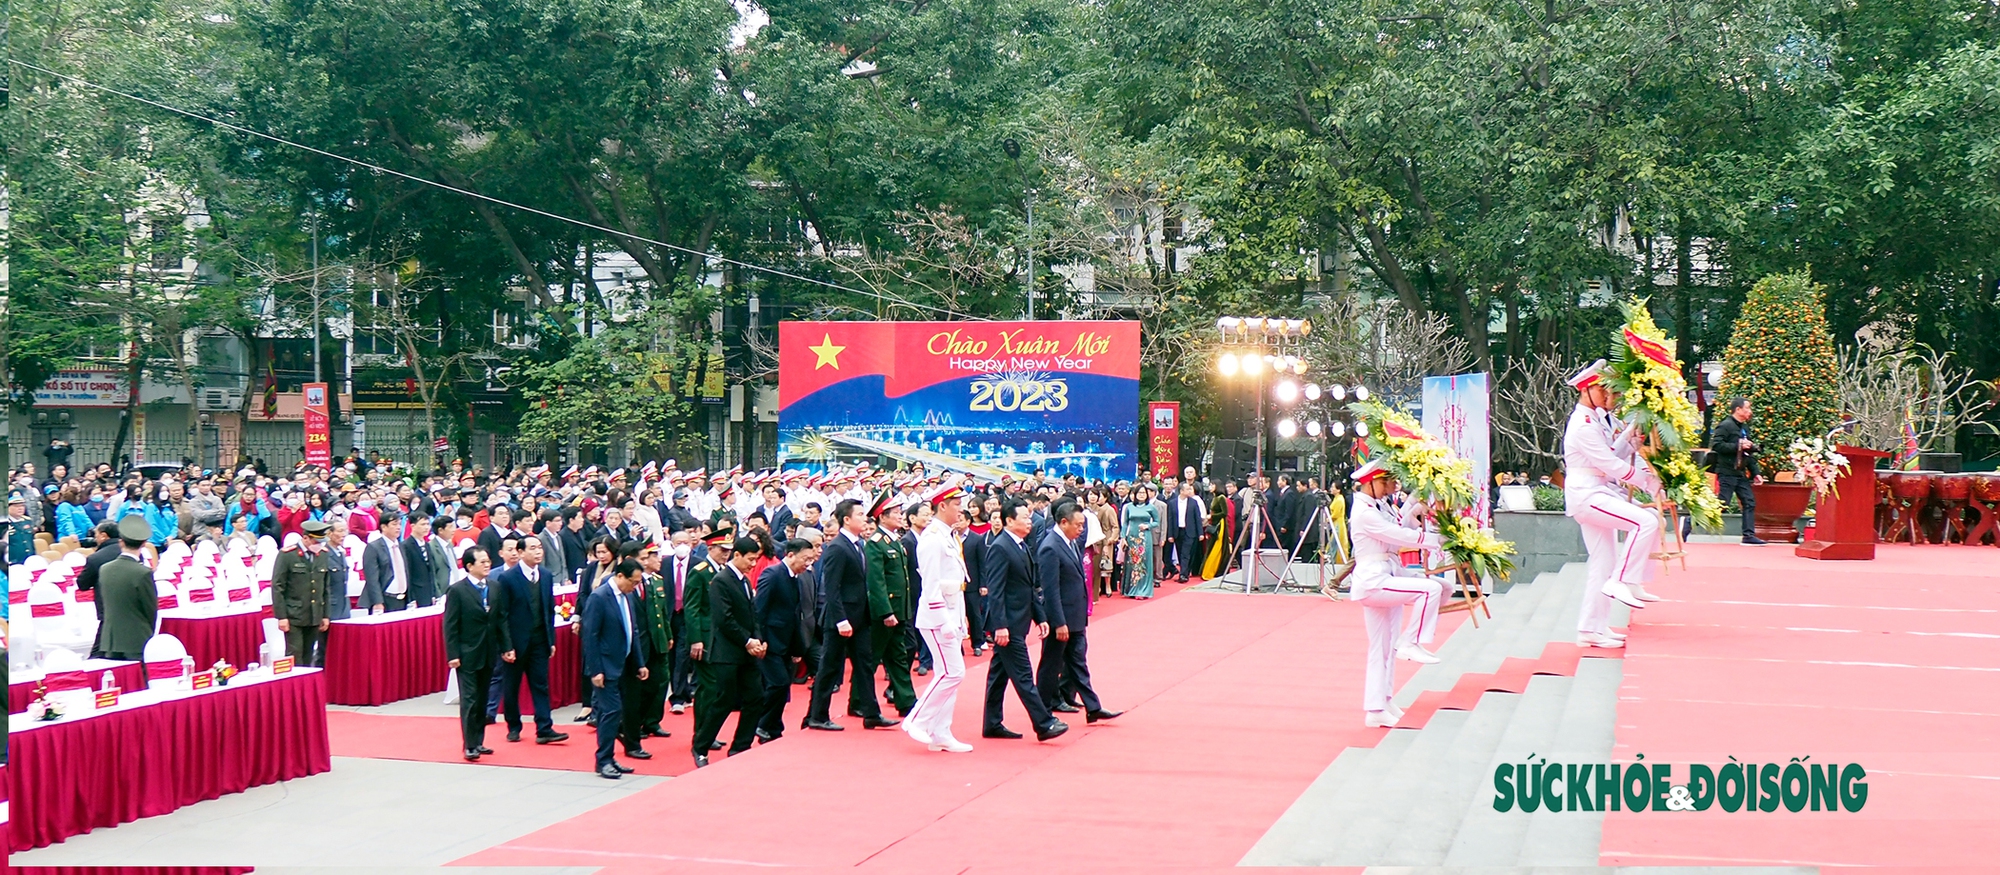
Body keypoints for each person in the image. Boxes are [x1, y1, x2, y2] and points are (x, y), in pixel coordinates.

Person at [1565, 359, 1663, 642]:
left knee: (1602, 563)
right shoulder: (1583, 424)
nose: (1611, 397)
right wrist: (1645, 480)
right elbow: (1609, 463)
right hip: (1588, 494)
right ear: (1587, 391)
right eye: (1605, 390)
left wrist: (1630, 435)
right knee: (1645, 521)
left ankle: (1591, 629)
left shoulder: (1596, 419)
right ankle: (1626, 580)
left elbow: (1612, 453)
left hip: (1596, 491)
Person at [1346, 458, 1447, 728]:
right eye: (1387, 482)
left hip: (1386, 572)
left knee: (1382, 648)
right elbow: (1395, 535)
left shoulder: (1377, 505)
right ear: (1371, 483)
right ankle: (1412, 641)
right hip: (1373, 578)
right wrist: (1434, 541)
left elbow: (1400, 527)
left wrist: (1415, 508)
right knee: (1431, 589)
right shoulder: (1365, 512)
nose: (1392, 487)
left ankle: (1378, 705)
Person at [803, 499, 898, 731]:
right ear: (846, 519)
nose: (865, 519)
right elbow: (832, 588)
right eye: (860, 514)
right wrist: (841, 620)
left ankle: (871, 712)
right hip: (841, 620)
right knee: (829, 667)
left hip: (860, 618)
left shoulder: (859, 544)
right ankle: (817, 715)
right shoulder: (837, 547)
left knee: (865, 665)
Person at [981, 499, 1067, 742]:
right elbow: (996, 590)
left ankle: (991, 723)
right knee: (1023, 675)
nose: (1029, 522)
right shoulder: (1000, 547)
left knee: (998, 676)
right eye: (1024, 518)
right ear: (1009, 520)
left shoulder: (1020, 545)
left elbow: (1027, 587)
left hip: (1019, 620)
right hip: (1008, 624)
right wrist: (1000, 625)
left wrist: (1040, 616)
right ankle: (1043, 723)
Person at [1036, 501, 1120, 724]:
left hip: (1075, 616)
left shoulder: (1070, 542)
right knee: (1051, 665)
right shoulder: (1050, 547)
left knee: (1078, 663)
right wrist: (1059, 622)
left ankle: (1093, 707)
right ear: (1063, 523)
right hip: (1061, 619)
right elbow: (1051, 590)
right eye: (1078, 525)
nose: (1081, 529)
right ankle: (1042, 710)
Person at [906, 481, 973, 752]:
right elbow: (931, 584)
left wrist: (959, 618)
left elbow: (956, 581)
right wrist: (944, 619)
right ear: (942, 506)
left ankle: (940, 732)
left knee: (950, 675)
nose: (961, 509)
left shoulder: (946, 534)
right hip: (937, 616)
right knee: (952, 673)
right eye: (956, 504)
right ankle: (918, 720)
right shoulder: (932, 538)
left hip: (951, 611)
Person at [689, 536, 768, 766]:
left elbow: (753, 615)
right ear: (737, 555)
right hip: (727, 653)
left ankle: (741, 745)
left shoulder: (744, 580)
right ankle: (701, 746)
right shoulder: (721, 580)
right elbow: (724, 619)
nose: (753, 564)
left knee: (755, 697)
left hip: (747, 651)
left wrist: (758, 639)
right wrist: (747, 641)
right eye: (750, 559)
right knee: (723, 700)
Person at [491, 536, 569, 746]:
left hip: (539, 640)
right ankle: (513, 726)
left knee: (541, 684)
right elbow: (503, 614)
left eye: (540, 548)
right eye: (532, 548)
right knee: (512, 686)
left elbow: (548, 610)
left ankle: (544, 727)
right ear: (521, 552)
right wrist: (506, 646)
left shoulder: (545, 575)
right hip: (516, 642)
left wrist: (550, 639)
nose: (538, 552)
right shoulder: (508, 578)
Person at [581, 557, 650, 779]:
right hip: (606, 665)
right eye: (633, 581)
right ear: (620, 576)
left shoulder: (626, 596)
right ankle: (603, 760)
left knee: (613, 712)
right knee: (611, 711)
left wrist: (639, 662)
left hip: (625, 663)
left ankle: (609, 757)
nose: (635, 586)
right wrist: (595, 669)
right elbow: (590, 636)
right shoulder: (599, 597)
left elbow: (633, 630)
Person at [444, 546, 506, 761]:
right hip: (467, 653)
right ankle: (469, 744)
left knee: (482, 700)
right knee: (469, 700)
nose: (487, 564)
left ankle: (479, 741)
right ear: (469, 566)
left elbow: (500, 620)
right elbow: (450, 625)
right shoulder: (458, 590)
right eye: (482, 562)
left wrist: (506, 647)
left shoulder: (495, 587)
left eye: (488, 561)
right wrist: (453, 654)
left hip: (489, 651)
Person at [858, 491, 915, 717]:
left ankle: (906, 699)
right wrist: (885, 611)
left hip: (899, 609)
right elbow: (876, 581)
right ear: (883, 517)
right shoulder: (876, 543)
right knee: (871, 657)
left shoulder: (895, 540)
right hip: (886, 611)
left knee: (898, 655)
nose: (901, 517)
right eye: (896, 513)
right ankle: (859, 700)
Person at [754, 537, 816, 741]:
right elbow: (759, 610)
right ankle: (762, 724)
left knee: (783, 686)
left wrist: (798, 648)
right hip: (770, 641)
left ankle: (773, 729)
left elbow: (795, 613)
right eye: (805, 559)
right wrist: (759, 638)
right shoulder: (772, 575)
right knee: (778, 683)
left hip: (787, 642)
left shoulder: (797, 577)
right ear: (790, 555)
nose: (808, 564)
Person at [94, 516, 160, 661]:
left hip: (111, 640)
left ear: (121, 542)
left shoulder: (104, 569)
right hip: (136, 640)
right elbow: (150, 610)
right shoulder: (142, 573)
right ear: (144, 544)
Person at [271, 520, 335, 664]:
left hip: (314, 614)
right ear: (305, 538)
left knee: (309, 654)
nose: (319, 545)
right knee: (295, 654)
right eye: (316, 541)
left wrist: (325, 615)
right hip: (294, 615)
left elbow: (325, 587)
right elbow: (278, 586)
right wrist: (281, 616)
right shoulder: (288, 555)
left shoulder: (322, 554)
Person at [633, 539, 675, 742]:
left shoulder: (657, 580)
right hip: (643, 641)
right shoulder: (636, 583)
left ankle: (653, 721)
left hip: (658, 639)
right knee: (643, 685)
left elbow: (663, 613)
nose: (658, 560)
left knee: (661, 681)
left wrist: (668, 635)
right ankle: (638, 721)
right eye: (654, 556)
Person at [1709, 397, 1767, 544]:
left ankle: (1748, 535)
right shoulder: (1726, 425)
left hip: (1740, 471)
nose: (1750, 411)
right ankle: (1691, 521)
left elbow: (1748, 454)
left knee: (1749, 501)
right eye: (1747, 408)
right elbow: (1716, 445)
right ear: (1738, 409)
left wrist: (1756, 473)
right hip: (1727, 470)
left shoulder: (1744, 428)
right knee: (1722, 504)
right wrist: (1738, 445)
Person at [1165, 481, 1205, 583]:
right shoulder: (1173, 503)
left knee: (1186, 553)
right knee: (1180, 552)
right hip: (1177, 531)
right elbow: (1170, 520)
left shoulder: (1193, 502)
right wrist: (1170, 535)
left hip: (1190, 531)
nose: (1189, 491)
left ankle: (1183, 575)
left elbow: (1197, 518)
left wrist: (1200, 533)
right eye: (1187, 489)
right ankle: (1185, 572)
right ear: (1181, 491)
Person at [1121, 486, 1158, 598]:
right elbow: (1125, 523)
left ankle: (1142, 590)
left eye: (1144, 493)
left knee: (1143, 563)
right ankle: (1131, 589)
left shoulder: (1151, 507)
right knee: (1131, 563)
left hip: (1144, 538)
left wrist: (1148, 526)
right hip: (1132, 537)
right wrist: (1123, 537)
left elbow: (1157, 522)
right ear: (1135, 494)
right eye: (1139, 493)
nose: (1141, 495)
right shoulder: (1129, 507)